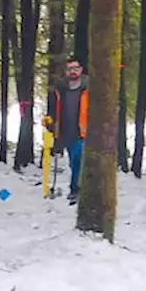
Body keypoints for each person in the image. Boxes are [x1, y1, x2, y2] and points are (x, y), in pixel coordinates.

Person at [48, 58, 89, 204]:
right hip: (65, 132)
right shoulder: (60, 89)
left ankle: (76, 190)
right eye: (69, 69)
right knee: (73, 163)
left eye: (75, 68)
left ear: (81, 69)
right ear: (66, 72)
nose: (73, 71)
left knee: (79, 161)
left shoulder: (88, 87)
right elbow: (53, 110)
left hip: (83, 132)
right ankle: (76, 188)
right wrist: (51, 123)